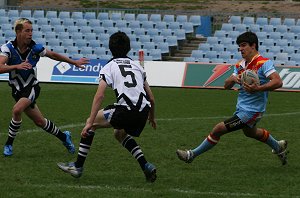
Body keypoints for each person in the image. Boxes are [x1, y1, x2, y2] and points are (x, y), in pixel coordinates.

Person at [57, 31, 157, 182]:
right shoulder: (137, 66)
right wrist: (152, 117)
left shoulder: (109, 66)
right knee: (119, 134)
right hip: (143, 112)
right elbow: (151, 98)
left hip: (125, 111)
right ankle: (146, 166)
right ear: (128, 48)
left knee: (91, 125)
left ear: (110, 48)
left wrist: (90, 122)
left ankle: (77, 166)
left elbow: (100, 95)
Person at [176, 31, 288, 165]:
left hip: (252, 111)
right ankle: (278, 146)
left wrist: (258, 88)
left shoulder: (264, 63)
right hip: (241, 109)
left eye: (244, 45)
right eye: (239, 46)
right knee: (251, 133)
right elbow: (226, 86)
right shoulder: (240, 65)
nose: (240, 49)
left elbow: (278, 82)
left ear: (253, 46)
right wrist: (233, 78)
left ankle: (191, 155)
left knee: (218, 129)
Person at [0, 18, 89, 156]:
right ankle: (64, 137)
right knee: (40, 121)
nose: (30, 33)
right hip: (17, 90)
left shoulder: (35, 48)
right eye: (27, 30)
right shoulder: (8, 48)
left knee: (17, 110)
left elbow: (53, 55)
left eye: (31, 30)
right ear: (18, 32)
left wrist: (74, 62)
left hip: (32, 87)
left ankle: (9, 144)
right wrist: (16, 66)